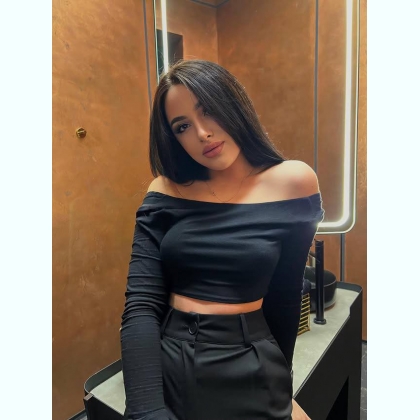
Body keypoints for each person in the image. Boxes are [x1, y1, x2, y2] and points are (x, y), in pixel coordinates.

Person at [120, 59, 324, 420]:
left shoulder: (294, 182)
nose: (201, 133)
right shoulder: (165, 191)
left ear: (234, 103)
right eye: (183, 126)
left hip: (254, 362)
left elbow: (285, 294)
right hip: (175, 361)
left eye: (208, 110)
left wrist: (282, 381)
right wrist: (145, 409)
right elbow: (141, 305)